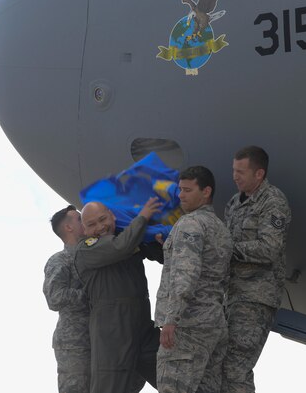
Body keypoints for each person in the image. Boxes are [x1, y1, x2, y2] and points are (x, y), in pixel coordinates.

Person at [155, 166, 233, 393]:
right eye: (180, 189)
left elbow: (185, 275)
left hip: (187, 327)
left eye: (188, 190)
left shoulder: (190, 224)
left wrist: (171, 320)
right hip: (214, 325)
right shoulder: (221, 229)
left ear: (206, 191)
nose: (181, 195)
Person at [74, 198, 163, 393]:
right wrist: (143, 216)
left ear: (113, 216)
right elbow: (119, 248)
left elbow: (160, 256)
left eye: (103, 219)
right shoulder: (87, 248)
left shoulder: (129, 238)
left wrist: (159, 241)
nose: (100, 227)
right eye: (91, 224)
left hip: (142, 327)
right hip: (112, 334)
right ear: (84, 230)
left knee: (175, 377)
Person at [221, 146, 292, 393]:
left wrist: (228, 249)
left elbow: (270, 248)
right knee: (223, 366)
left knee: (235, 368)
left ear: (259, 174)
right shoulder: (233, 203)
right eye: (234, 170)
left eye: (241, 171)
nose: (235, 176)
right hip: (232, 296)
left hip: (255, 297)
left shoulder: (273, 202)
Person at [44, 205, 91, 393]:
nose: (85, 221)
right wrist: (92, 295)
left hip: (95, 338)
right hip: (74, 344)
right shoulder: (60, 260)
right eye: (80, 219)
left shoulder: (92, 256)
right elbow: (54, 298)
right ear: (68, 228)